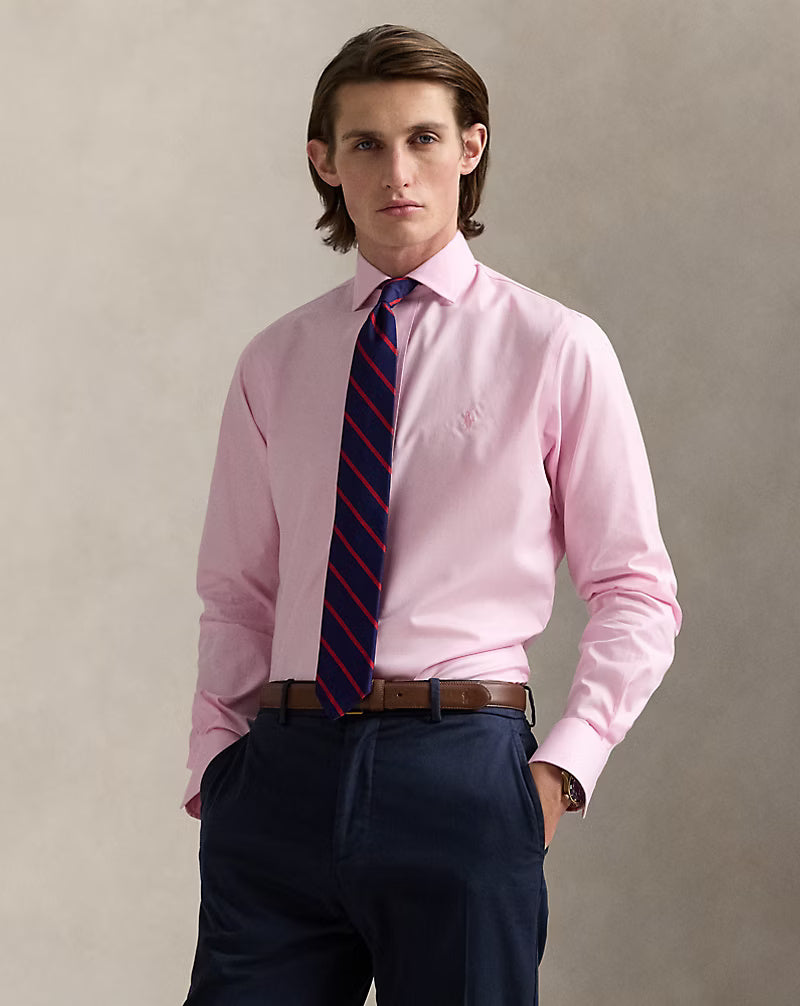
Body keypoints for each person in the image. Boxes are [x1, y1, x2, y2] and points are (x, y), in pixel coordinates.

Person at [180, 23, 681, 1006]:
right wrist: (219, 767)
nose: (396, 170)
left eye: (422, 137)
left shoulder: (553, 347)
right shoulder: (275, 362)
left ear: (469, 148)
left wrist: (560, 770)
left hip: (460, 775)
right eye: (365, 143)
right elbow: (238, 590)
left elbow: (635, 589)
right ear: (324, 161)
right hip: (281, 776)